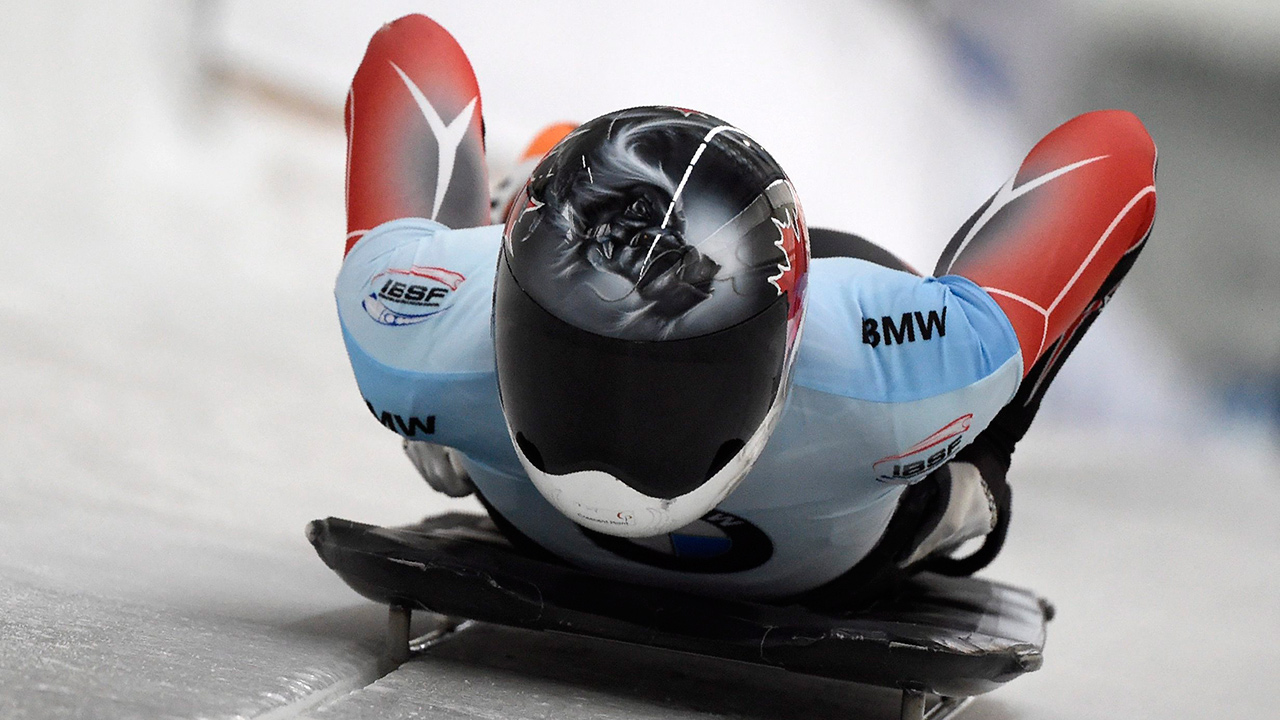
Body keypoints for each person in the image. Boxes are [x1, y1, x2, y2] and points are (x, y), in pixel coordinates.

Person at [337, 15, 1157, 608]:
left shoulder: (403, 336)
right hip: (834, 562)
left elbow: (409, 50)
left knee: (533, 176)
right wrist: (983, 450)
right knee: (965, 439)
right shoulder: (899, 382)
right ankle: (966, 490)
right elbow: (1118, 150)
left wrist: (435, 423)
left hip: (515, 507)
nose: (620, 445)